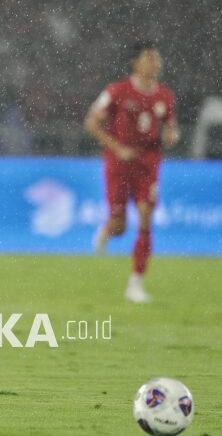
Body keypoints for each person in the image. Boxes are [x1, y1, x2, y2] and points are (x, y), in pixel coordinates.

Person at [84, 41, 179, 303]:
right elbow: (91, 122)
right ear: (135, 63)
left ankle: (135, 283)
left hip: (148, 163)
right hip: (118, 163)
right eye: (149, 58)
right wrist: (117, 147)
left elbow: (170, 125)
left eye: (157, 58)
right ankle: (107, 229)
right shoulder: (117, 91)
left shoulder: (166, 96)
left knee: (146, 216)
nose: (155, 63)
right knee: (119, 226)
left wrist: (171, 133)